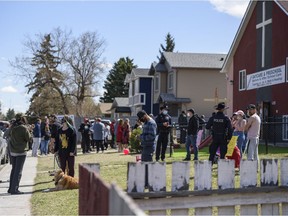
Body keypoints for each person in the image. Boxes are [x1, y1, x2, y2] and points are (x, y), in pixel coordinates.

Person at [7, 113, 31, 194]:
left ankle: (11, 188)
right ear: (22, 119)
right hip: (21, 151)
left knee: (14, 170)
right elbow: (29, 138)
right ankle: (15, 189)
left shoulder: (12, 127)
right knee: (18, 171)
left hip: (13, 151)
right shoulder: (23, 128)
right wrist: (29, 130)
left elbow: (7, 135)